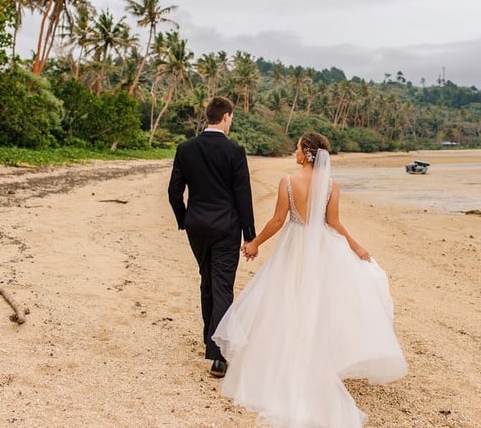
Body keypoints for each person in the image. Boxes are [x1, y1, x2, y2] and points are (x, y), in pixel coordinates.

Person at [213, 132, 407, 428]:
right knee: (316, 304)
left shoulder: (288, 182)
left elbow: (279, 221)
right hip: (320, 248)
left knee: (285, 302)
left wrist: (254, 244)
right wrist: (355, 245)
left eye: (297, 147)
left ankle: (284, 365)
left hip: (293, 248)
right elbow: (333, 223)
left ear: (306, 152)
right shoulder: (330, 185)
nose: (294, 151)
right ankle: (314, 362)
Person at [168, 96, 256, 378]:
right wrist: (250, 235)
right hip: (226, 228)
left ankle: (210, 340)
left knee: (207, 281)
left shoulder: (186, 149)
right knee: (222, 287)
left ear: (208, 116)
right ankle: (218, 356)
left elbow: (173, 191)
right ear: (227, 116)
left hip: (197, 227)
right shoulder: (235, 151)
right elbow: (243, 196)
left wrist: (185, 219)